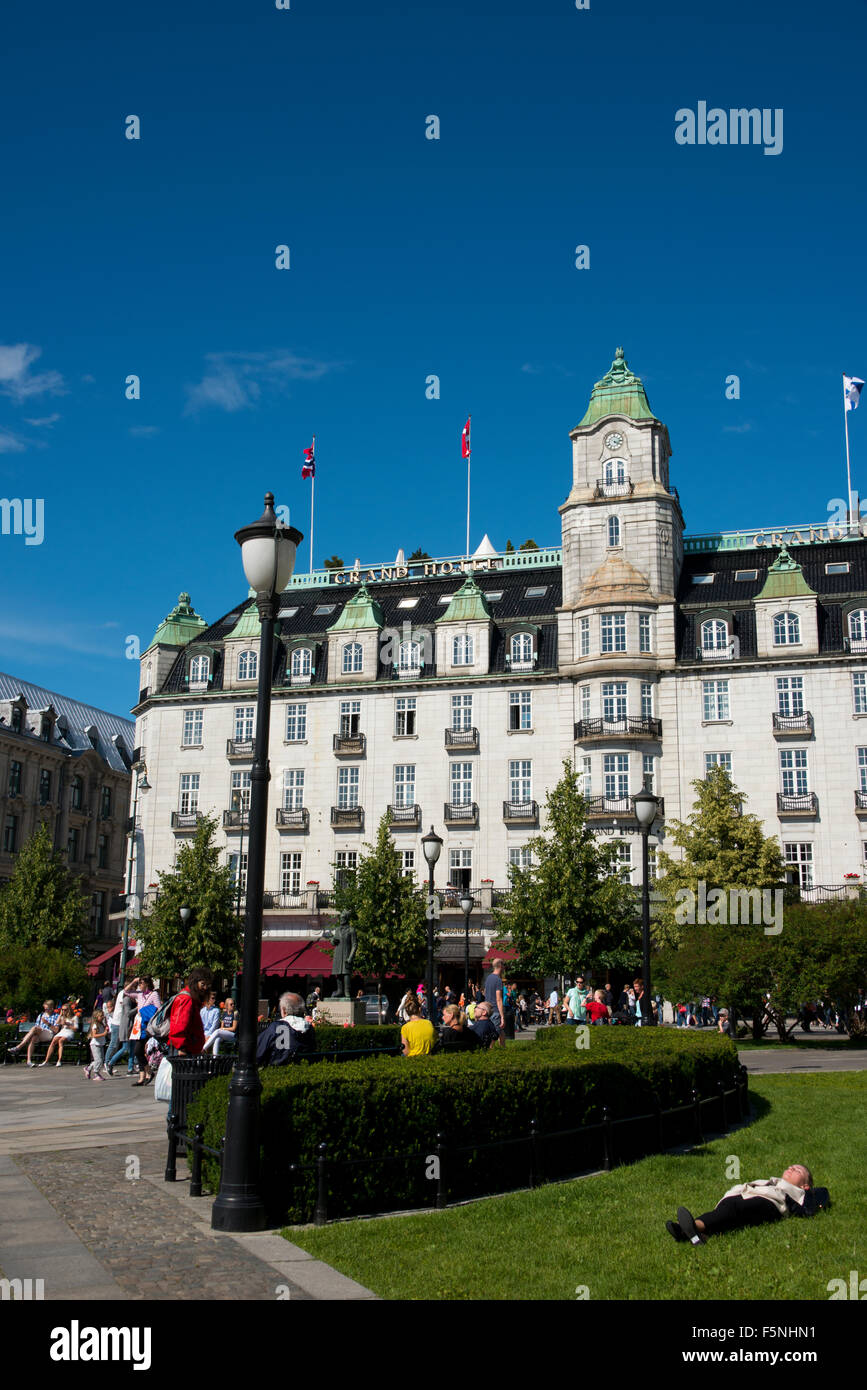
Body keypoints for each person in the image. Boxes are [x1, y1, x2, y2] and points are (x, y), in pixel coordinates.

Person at [667, 1165, 830, 1244]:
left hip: (769, 1203)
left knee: (735, 1210)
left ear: (805, 1185)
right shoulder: (772, 1181)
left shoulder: (801, 1194)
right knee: (727, 1209)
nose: (792, 1168)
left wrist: (804, 1196)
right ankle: (696, 1234)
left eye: (798, 1171)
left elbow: (818, 1198)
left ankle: (691, 1227)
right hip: (744, 1195)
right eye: (791, 1166)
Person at [257, 992, 316, 1065]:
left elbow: (258, 1053)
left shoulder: (276, 1027)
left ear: (284, 1010)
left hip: (277, 1070)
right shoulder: (309, 1028)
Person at [125, 977, 161, 1087]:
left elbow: (159, 1009)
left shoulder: (154, 995)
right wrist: (133, 981)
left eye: (141, 983)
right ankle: (142, 1077)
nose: (139, 985)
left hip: (147, 1025)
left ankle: (149, 1072)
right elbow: (125, 991)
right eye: (139, 983)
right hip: (138, 1025)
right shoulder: (139, 994)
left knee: (137, 1050)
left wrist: (147, 1013)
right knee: (139, 1050)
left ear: (146, 984)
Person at [168, 968, 213, 1056]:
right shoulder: (186, 999)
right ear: (195, 983)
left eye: (207, 985)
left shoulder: (192, 999)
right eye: (203, 984)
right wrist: (181, 1047)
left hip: (190, 1048)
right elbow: (179, 1025)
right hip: (184, 1050)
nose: (205, 988)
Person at [9, 1000, 60, 1066]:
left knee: (35, 1029)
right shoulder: (41, 1015)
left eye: (47, 1008)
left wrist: (47, 1023)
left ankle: (19, 1046)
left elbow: (56, 1030)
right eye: (45, 1008)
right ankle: (29, 1061)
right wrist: (29, 1035)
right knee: (33, 1038)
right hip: (40, 1032)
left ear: (52, 1007)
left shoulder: (56, 1016)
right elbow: (37, 1026)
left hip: (49, 1034)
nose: (45, 1010)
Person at [105, 987, 136, 1076]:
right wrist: (138, 1008)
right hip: (124, 1025)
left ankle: (130, 1068)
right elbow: (128, 1013)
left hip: (131, 1025)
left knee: (132, 1047)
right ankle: (110, 1063)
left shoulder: (130, 999)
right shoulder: (125, 999)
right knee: (122, 1047)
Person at [483, 958, 507, 1043]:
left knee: (501, 1031)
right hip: (495, 1010)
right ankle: (491, 1053)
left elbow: (485, 993)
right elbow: (499, 999)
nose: (504, 967)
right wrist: (502, 1016)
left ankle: (503, 1049)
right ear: (500, 966)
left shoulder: (488, 978)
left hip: (488, 1009)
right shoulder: (498, 980)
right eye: (504, 965)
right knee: (494, 1035)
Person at [83, 1009, 110, 1081]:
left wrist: (106, 1028)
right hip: (95, 1044)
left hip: (101, 1043)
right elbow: (94, 1035)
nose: (102, 1017)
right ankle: (96, 1073)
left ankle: (88, 1068)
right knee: (99, 1060)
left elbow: (106, 1030)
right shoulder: (95, 1025)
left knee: (99, 1060)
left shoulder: (101, 1024)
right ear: (96, 1017)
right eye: (101, 1016)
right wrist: (103, 1034)